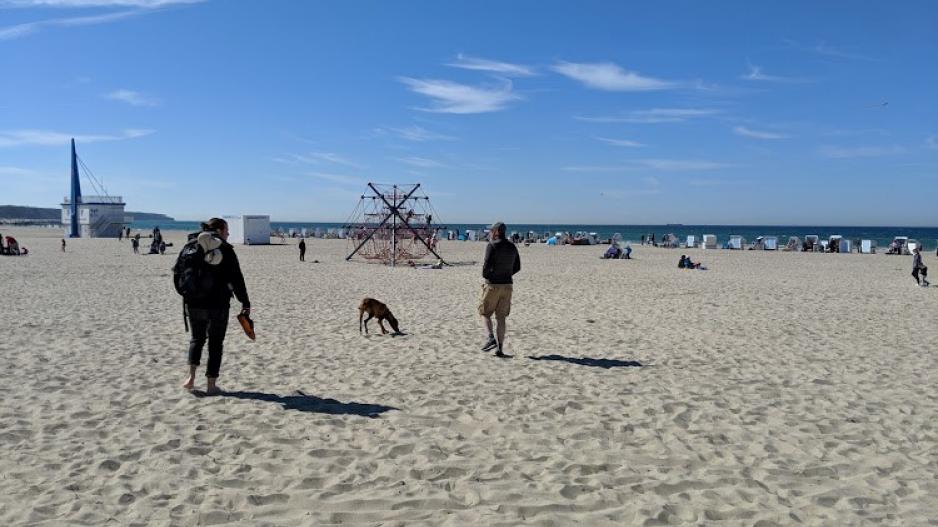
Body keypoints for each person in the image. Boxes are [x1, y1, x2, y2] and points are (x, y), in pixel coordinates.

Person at [182, 218, 251, 394]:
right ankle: (211, 385)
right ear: (219, 230)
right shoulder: (225, 248)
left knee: (197, 339)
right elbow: (237, 277)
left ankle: (190, 378)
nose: (228, 234)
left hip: (194, 302)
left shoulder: (192, 245)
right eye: (226, 230)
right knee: (215, 343)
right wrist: (245, 302)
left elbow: (179, 272)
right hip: (218, 303)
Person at [478, 222, 521, 357]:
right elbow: (518, 266)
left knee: (484, 313)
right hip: (507, 285)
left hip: (493, 285)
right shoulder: (512, 246)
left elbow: (486, 267)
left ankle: (490, 337)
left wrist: (489, 276)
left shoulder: (492, 245)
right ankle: (500, 349)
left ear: (496, 231)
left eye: (491, 230)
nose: (490, 232)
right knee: (501, 317)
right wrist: (507, 274)